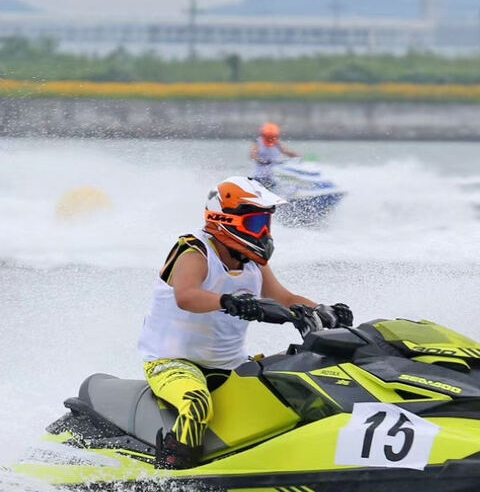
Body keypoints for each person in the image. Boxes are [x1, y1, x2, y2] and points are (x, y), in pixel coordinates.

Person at [136, 176, 352, 467]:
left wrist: (325, 310)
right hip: (172, 362)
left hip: (230, 364)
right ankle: (173, 471)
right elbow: (186, 297)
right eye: (255, 223)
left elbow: (284, 297)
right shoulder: (194, 251)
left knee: (289, 384)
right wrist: (229, 301)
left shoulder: (253, 262)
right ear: (224, 219)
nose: (263, 232)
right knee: (196, 404)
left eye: (266, 223)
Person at [249, 122, 300, 188]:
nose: (271, 139)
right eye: (269, 137)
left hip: (273, 176)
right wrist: (261, 161)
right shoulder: (257, 142)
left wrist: (297, 156)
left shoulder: (277, 142)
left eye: (272, 137)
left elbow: (286, 151)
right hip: (259, 176)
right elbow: (252, 155)